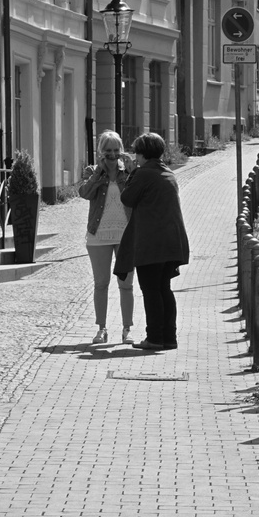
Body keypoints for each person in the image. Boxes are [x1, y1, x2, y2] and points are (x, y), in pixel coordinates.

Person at [114, 132, 190, 351]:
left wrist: (131, 173)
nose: (134, 157)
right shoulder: (167, 172)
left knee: (151, 290)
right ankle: (169, 337)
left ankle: (155, 338)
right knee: (164, 289)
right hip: (172, 241)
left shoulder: (143, 173)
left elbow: (127, 198)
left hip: (152, 243)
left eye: (136, 153)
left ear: (143, 153)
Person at [78, 130, 137, 345]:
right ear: (100, 152)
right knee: (101, 283)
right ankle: (101, 329)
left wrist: (133, 170)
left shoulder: (128, 172)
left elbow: (140, 193)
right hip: (98, 235)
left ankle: (126, 329)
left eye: (115, 151)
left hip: (125, 235)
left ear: (121, 152)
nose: (112, 156)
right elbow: (84, 193)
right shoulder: (92, 171)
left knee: (126, 284)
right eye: (107, 151)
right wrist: (98, 174)